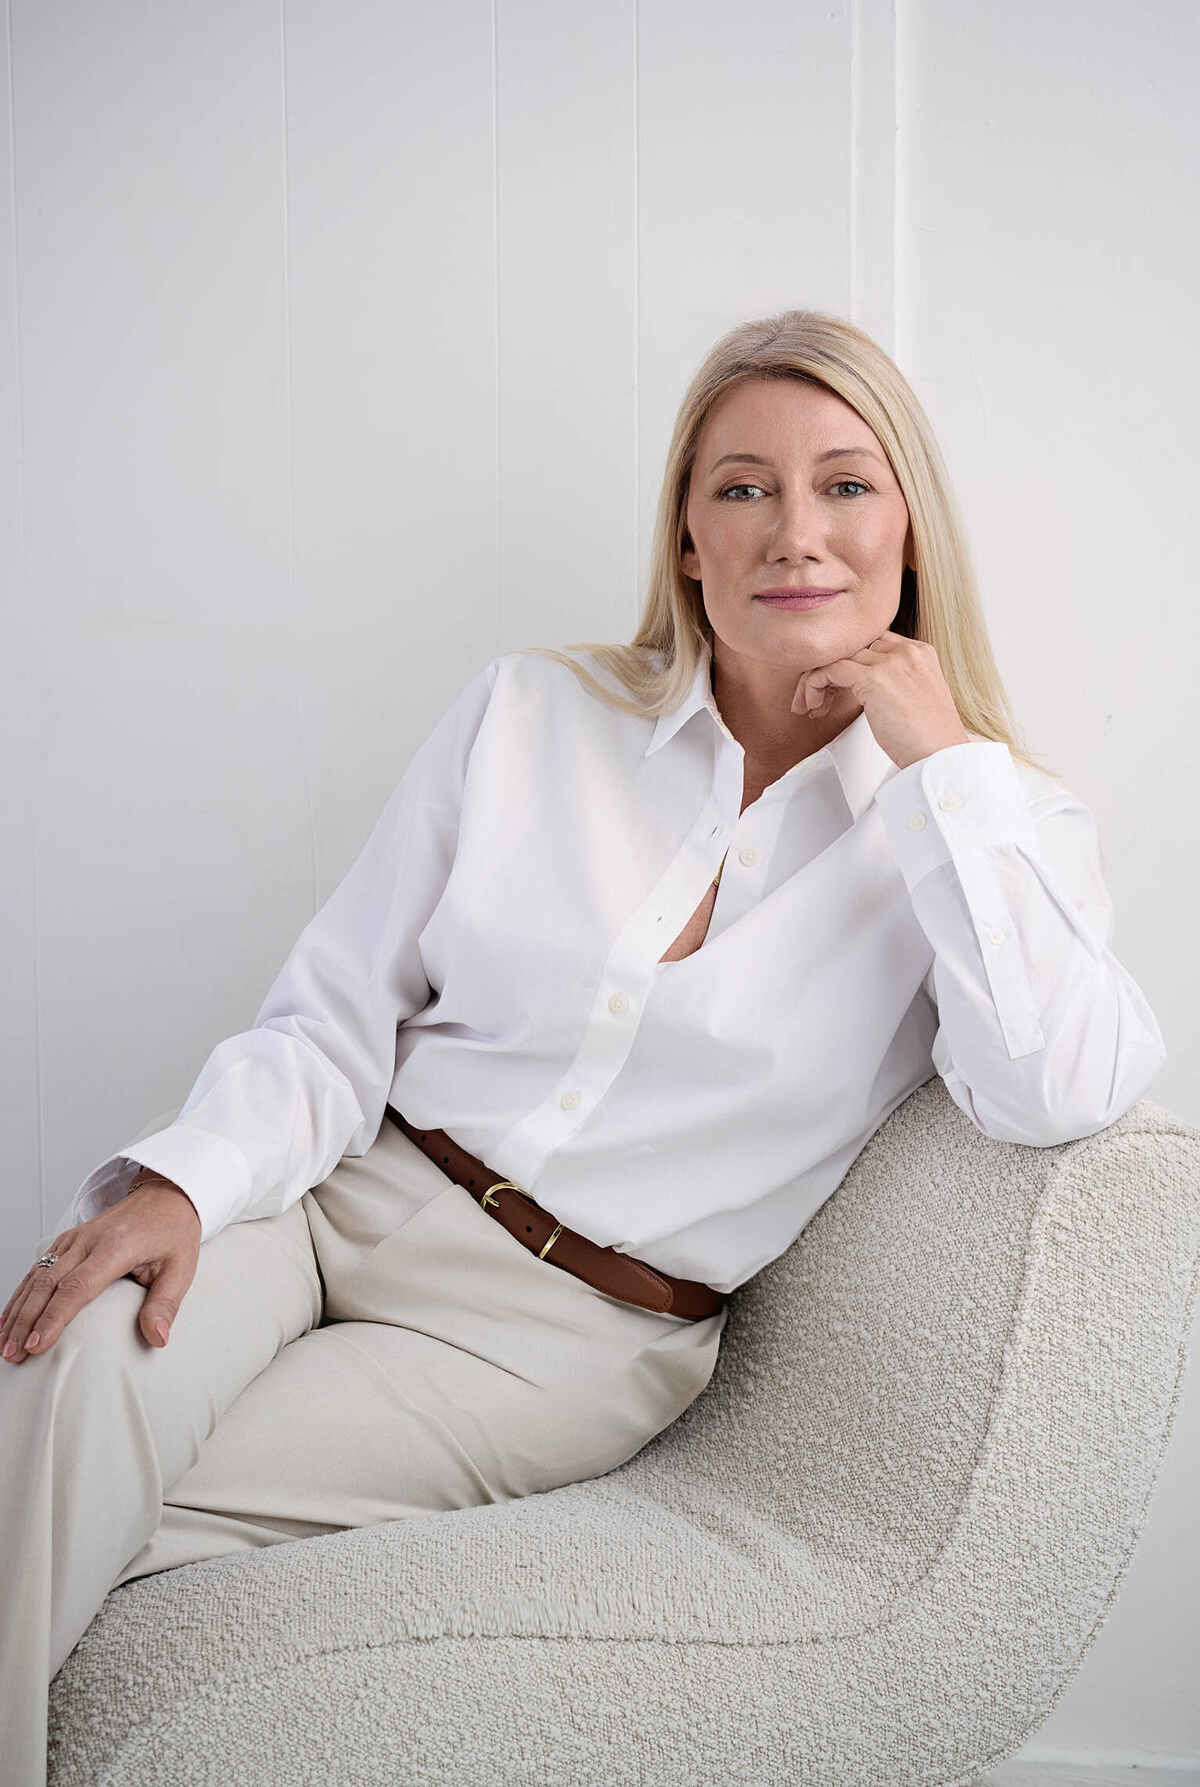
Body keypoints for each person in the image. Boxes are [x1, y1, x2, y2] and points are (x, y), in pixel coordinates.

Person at [0, 309, 1166, 1783]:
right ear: (687, 534)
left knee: (80, 1503)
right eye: (743, 486)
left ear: (912, 528)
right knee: (67, 1358)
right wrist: (182, 1180)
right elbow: (334, 1013)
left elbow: (1060, 1088)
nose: (794, 529)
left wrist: (940, 770)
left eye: (846, 484)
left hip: (550, 1340)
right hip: (334, 1199)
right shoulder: (531, 712)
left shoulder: (987, 828)